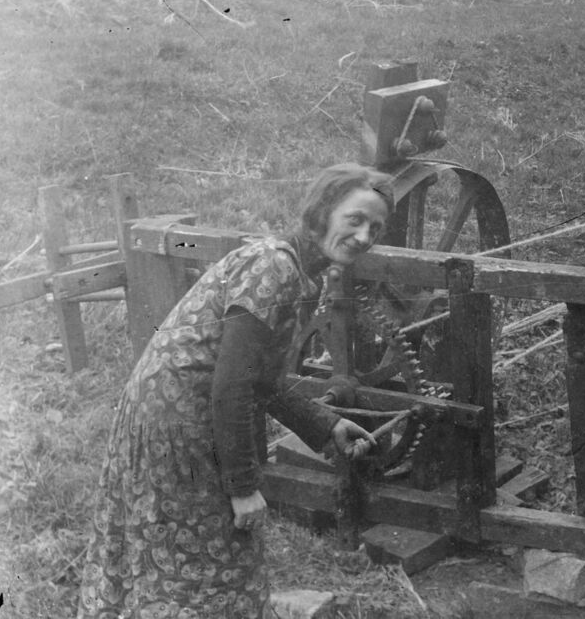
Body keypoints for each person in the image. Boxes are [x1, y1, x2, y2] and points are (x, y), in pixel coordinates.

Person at [78, 163, 392, 618]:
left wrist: (325, 425)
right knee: (200, 561)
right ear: (324, 211)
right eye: (355, 219)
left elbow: (260, 376)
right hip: (179, 425)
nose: (364, 236)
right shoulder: (274, 266)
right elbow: (233, 384)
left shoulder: (301, 270)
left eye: (375, 229)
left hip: (176, 415)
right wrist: (242, 487)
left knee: (184, 555)